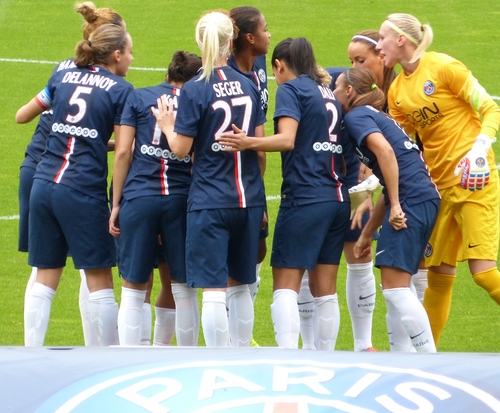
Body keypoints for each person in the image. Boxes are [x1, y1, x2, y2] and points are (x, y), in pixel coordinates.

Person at [219, 37, 350, 350]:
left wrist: (247, 142)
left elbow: (286, 139)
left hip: (306, 197)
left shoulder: (290, 89)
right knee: (325, 289)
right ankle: (325, 357)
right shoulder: (327, 93)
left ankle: (288, 355)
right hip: (336, 198)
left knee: (286, 285)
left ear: (279, 66)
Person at [377, 13, 500, 347]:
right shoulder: (398, 92)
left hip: (476, 180)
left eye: (383, 38)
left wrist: (479, 149)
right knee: (439, 279)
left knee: (484, 273)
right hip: (439, 189)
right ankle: (429, 360)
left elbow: (491, 109)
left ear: (401, 39)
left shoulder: (444, 67)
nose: (378, 45)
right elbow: (404, 146)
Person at [152, 10, 266, 347]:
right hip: (247, 197)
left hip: (209, 200)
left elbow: (181, 149)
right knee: (241, 283)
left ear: (200, 41)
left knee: (213, 288)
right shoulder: (249, 83)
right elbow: (258, 147)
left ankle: (219, 360)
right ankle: (242, 355)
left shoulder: (194, 89)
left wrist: (167, 125)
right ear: (231, 41)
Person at [16, 23, 134, 346]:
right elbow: (124, 149)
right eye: (130, 52)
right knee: (100, 280)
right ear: (116, 54)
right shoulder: (121, 90)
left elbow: (23, 113)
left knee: (44, 276)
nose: (133, 59)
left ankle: (31, 352)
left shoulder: (62, 74)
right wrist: (119, 200)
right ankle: (108, 357)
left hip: (44, 182)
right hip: (82, 191)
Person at [334, 67, 440, 352]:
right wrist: (368, 233)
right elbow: (386, 176)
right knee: (399, 288)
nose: (333, 94)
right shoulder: (375, 114)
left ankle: (429, 359)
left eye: (336, 88)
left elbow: (385, 153)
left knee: (394, 289)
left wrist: (396, 204)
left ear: (349, 92)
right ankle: (405, 359)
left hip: (411, 200)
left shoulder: (356, 116)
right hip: (424, 197)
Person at [110, 50, 202, 346]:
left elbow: (123, 151)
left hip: (139, 199)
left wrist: (116, 204)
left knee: (133, 289)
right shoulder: (197, 101)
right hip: (180, 200)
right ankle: (185, 360)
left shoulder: (138, 97)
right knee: (183, 288)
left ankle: (129, 360)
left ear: (168, 73)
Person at [228, 6, 271, 336]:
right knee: (234, 257)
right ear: (249, 37)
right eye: (265, 29)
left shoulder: (258, 66)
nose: (270, 34)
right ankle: (231, 333)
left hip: (253, 174)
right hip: (229, 179)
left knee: (258, 249)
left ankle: (238, 323)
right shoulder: (227, 73)